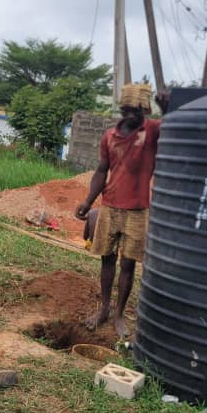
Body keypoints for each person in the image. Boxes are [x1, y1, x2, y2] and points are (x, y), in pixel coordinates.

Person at [75, 83, 169, 337]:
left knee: (128, 264)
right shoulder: (110, 136)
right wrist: (88, 201)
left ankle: (119, 314)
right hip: (110, 206)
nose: (129, 115)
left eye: (134, 111)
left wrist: (166, 109)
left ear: (145, 110)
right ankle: (105, 308)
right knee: (107, 259)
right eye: (125, 110)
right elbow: (101, 170)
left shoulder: (151, 131)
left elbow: (174, 130)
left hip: (137, 210)